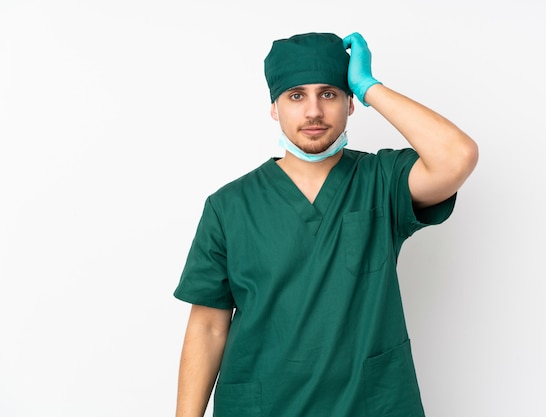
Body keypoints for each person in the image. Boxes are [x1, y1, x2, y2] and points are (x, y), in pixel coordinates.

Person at [173, 32, 478, 417]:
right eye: (296, 96)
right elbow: (208, 327)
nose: (313, 111)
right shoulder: (229, 206)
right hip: (265, 405)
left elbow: (456, 156)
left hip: (368, 404)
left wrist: (370, 87)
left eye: (329, 94)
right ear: (274, 107)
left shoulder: (381, 181)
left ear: (351, 103)